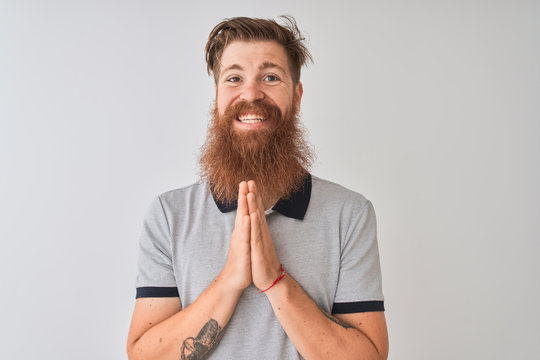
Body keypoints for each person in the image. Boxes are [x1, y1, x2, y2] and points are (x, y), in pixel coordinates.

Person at [127, 16, 388, 360]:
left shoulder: (349, 215)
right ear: (217, 95)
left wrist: (276, 282)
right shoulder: (168, 215)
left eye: (270, 77)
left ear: (296, 94)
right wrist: (231, 280)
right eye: (234, 78)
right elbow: (144, 355)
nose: (251, 93)